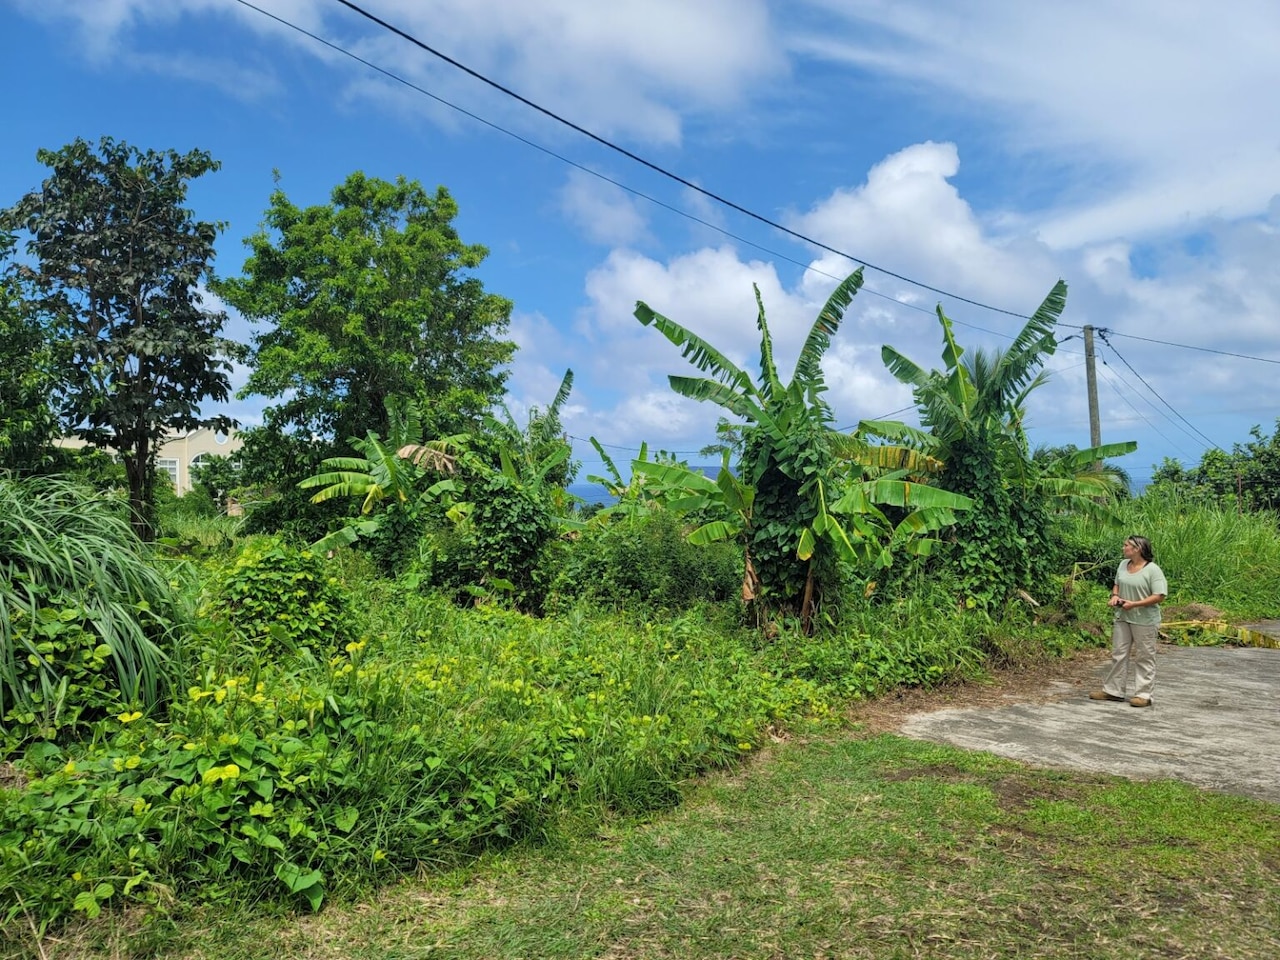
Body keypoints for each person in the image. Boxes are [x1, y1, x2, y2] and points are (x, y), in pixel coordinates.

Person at [1090, 535, 1167, 708]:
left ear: (1137, 549)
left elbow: (1159, 595)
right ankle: (1113, 690)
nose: (1123, 548)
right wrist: (1115, 596)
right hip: (1123, 616)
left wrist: (1135, 604)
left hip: (1145, 620)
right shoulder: (1123, 565)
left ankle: (1143, 694)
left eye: (1126, 545)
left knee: (1144, 656)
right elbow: (1117, 583)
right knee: (1119, 653)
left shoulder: (1152, 570)